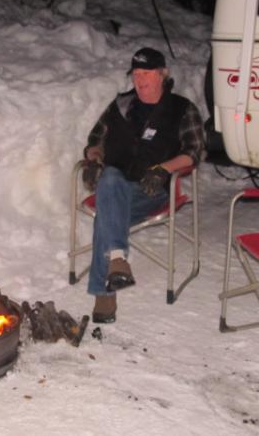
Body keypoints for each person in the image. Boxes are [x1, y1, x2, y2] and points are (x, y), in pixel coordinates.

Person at [82, 47, 205, 324]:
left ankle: (106, 289)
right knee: (111, 180)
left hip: (150, 192)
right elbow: (95, 141)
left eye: (146, 73)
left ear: (162, 74)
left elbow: (194, 152)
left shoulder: (181, 109)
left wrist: (164, 169)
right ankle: (116, 260)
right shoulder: (122, 105)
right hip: (115, 184)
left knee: (107, 210)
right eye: (136, 74)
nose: (140, 79)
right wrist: (93, 161)